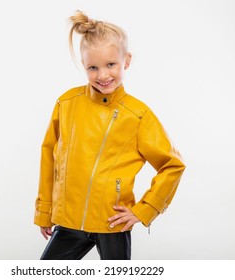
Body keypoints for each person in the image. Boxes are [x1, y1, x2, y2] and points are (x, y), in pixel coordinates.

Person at [34, 10, 185, 260]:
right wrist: (44, 211)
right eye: (93, 67)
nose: (102, 75)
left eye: (110, 65)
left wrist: (144, 210)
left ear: (126, 60)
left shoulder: (138, 115)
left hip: (112, 222)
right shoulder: (67, 103)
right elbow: (49, 158)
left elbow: (173, 165)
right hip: (68, 222)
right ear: (84, 65)